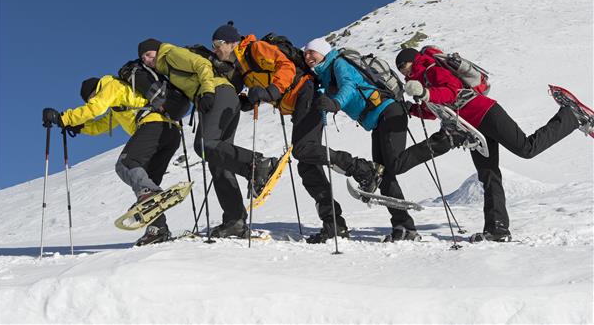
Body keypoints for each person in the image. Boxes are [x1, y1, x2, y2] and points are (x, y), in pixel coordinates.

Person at [397, 46, 592, 242]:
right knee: (488, 175)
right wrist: (413, 108)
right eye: (399, 69)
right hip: (471, 129)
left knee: (526, 148)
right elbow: (434, 110)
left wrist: (425, 93)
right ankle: (497, 229)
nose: (402, 70)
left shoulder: (432, 69)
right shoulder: (421, 82)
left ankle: (570, 116)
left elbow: (452, 91)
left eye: (403, 65)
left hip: (485, 113)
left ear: (414, 60)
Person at [211, 23, 384, 243]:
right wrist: (250, 100)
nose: (215, 49)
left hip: (307, 93)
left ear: (231, 42)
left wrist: (270, 91)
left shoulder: (255, 49)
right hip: (297, 102)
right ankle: (334, 225)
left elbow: (285, 67)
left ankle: (364, 169)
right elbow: (266, 85)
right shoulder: (243, 66)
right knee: (306, 165)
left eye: (217, 44)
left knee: (303, 149)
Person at [304, 39, 458, 241]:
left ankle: (446, 139)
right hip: (377, 119)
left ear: (324, 52)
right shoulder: (324, 74)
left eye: (312, 52)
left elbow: (349, 86)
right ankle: (404, 228)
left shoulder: (339, 63)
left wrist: (336, 103)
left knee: (394, 164)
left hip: (389, 110)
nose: (308, 57)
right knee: (384, 174)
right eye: (305, 54)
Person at [137, 38, 278, 239]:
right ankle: (234, 220)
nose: (148, 60)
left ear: (157, 50)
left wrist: (208, 92)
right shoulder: (165, 67)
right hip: (228, 98)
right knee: (219, 161)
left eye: (149, 54)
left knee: (204, 145)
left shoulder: (169, 53)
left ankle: (257, 164)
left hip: (218, 93)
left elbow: (201, 64)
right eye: (144, 58)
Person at [42, 75, 180, 246]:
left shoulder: (110, 85)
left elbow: (95, 109)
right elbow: (101, 124)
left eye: (91, 98)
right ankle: (157, 229)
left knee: (126, 164)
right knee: (146, 182)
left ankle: (150, 196)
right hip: (170, 133)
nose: (93, 101)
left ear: (95, 91)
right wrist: (79, 127)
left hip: (154, 126)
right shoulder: (118, 105)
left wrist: (64, 118)